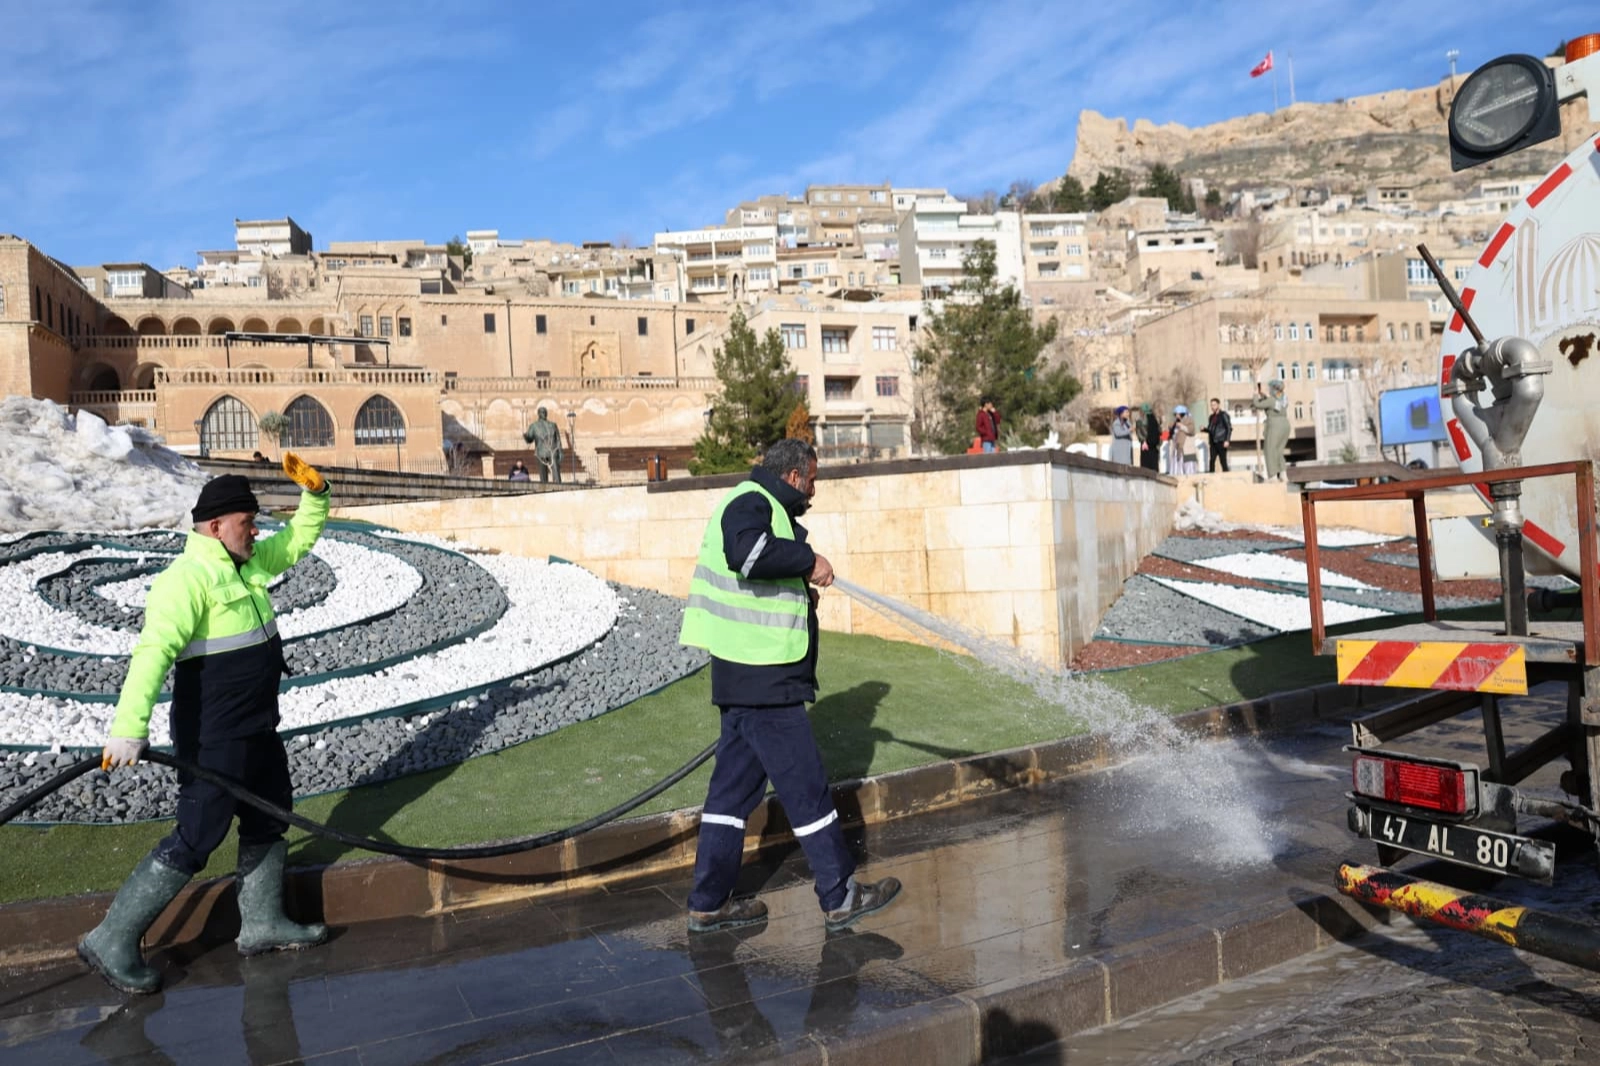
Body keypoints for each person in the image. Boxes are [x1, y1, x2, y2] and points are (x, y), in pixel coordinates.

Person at [79, 455, 333, 995]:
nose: (256, 530)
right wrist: (129, 727)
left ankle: (262, 924)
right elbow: (151, 653)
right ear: (216, 527)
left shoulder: (247, 563)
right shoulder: (186, 581)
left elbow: (297, 541)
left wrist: (316, 493)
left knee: (270, 814)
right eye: (247, 522)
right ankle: (112, 937)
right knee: (198, 837)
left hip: (258, 727)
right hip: (213, 737)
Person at [678, 438, 902, 934]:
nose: (813, 493)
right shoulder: (751, 502)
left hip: (745, 678)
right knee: (806, 789)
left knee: (729, 799)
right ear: (796, 477)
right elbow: (748, 555)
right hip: (766, 680)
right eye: (813, 482)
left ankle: (709, 902)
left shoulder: (759, 506)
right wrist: (807, 560)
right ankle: (840, 895)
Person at [1253, 380, 1291, 480]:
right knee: (1278, 451)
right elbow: (1273, 404)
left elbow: (1257, 404)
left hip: (1274, 425)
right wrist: (1264, 395)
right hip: (1285, 424)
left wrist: (1256, 394)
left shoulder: (1271, 400)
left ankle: (1273, 476)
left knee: (1269, 450)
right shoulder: (1283, 398)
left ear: (1273, 389)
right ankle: (1283, 475)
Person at [522, 407, 564, 483]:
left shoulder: (553, 425)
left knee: (556, 473)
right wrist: (526, 437)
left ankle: (559, 487)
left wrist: (560, 452)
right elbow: (530, 440)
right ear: (538, 414)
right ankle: (545, 489)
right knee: (543, 476)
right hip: (540, 453)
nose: (544, 413)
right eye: (542, 412)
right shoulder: (534, 426)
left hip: (552, 451)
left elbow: (558, 439)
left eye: (545, 412)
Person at [1206, 398, 1233, 473]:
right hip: (1213, 442)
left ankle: (1226, 476)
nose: (1212, 407)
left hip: (1221, 441)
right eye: (1211, 405)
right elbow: (1210, 429)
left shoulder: (1223, 415)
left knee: (1223, 461)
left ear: (1218, 405)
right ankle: (1211, 476)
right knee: (1212, 460)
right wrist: (1204, 429)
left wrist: (1227, 440)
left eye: (1214, 405)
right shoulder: (1211, 417)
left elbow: (1229, 428)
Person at [1169, 405, 1197, 475]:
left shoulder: (1189, 420)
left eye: (1179, 414)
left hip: (1187, 449)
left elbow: (1191, 431)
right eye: (1175, 414)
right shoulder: (1175, 422)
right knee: (1178, 469)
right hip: (1177, 449)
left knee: (1189, 469)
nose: (1177, 416)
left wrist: (1181, 426)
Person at [1136, 403, 1160, 472]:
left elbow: (1139, 433)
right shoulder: (1156, 420)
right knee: (1154, 467)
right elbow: (1160, 433)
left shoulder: (1140, 420)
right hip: (1154, 447)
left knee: (1145, 467)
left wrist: (1143, 441)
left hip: (1145, 446)